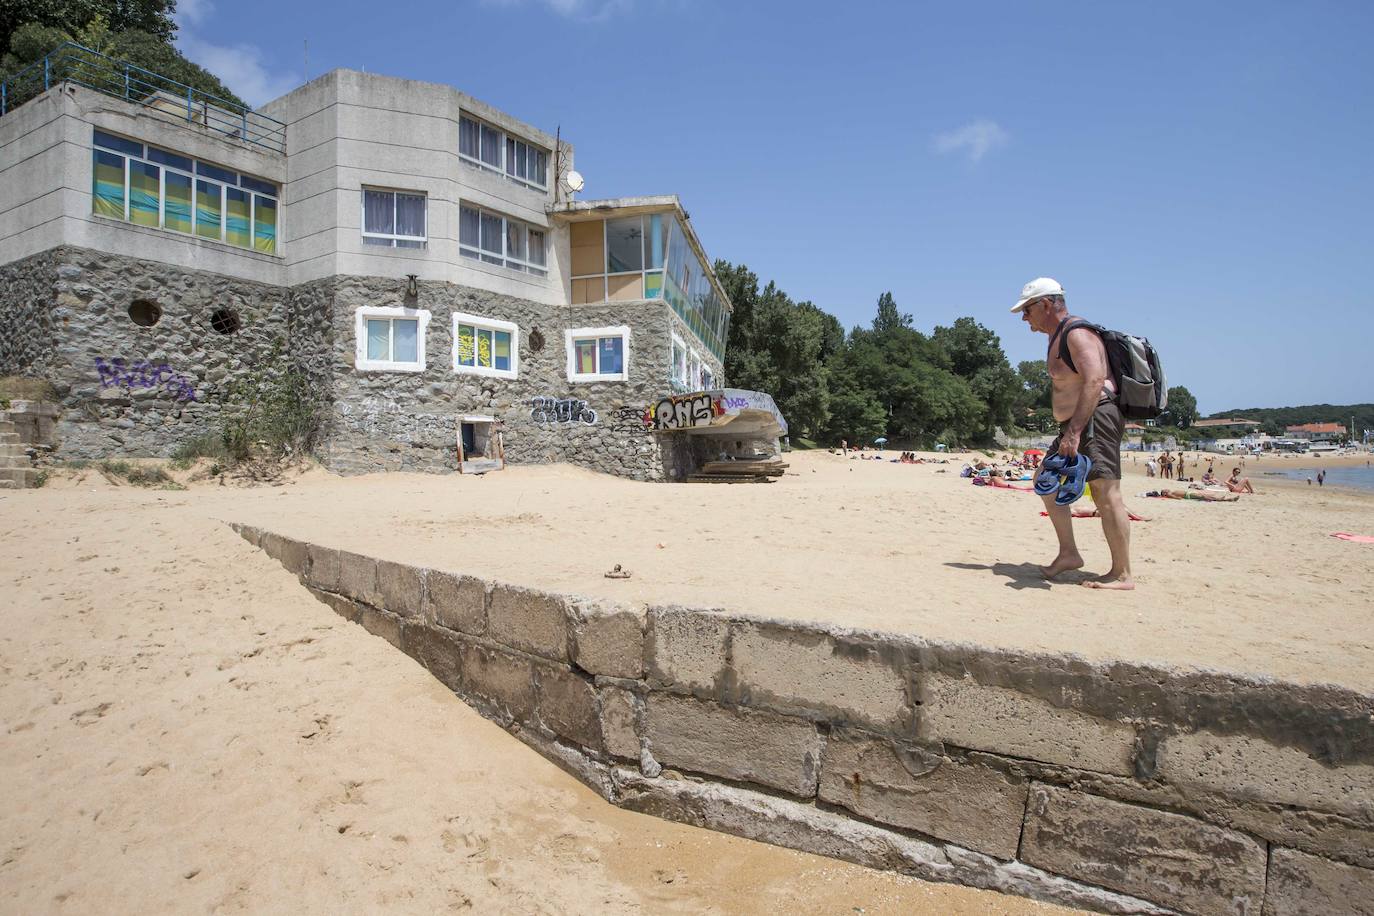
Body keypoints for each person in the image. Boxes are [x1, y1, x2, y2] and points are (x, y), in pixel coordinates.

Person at [1011, 277, 1133, 589]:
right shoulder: (1056, 336)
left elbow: (1095, 380)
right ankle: (1069, 553)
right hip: (1076, 423)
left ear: (1046, 304)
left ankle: (1122, 574)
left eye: (1027, 311)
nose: (1025, 318)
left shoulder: (1076, 333)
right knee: (1044, 481)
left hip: (1095, 418)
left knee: (1106, 494)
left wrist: (1075, 432)